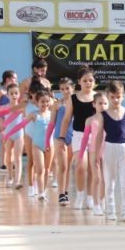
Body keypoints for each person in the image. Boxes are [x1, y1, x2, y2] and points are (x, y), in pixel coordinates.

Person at [61, 66, 97, 210]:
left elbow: (104, 117)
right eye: (85, 80)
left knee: (92, 168)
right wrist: (62, 137)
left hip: (95, 137)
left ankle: (90, 197)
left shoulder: (99, 97)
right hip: (79, 136)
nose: (88, 83)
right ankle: (80, 196)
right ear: (79, 82)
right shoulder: (73, 98)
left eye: (91, 80)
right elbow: (66, 119)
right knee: (81, 166)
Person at [95, 81, 125, 222]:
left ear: (123, 96)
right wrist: (97, 154)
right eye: (112, 97)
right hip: (109, 148)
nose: (115, 100)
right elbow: (99, 135)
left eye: (118, 97)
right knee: (110, 181)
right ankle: (110, 210)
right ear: (108, 96)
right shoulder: (103, 115)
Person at [51, 77, 74, 206]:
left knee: (68, 166)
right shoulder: (57, 104)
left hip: (73, 137)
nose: (65, 91)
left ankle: (66, 192)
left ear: (73, 88)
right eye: (62, 89)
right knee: (63, 166)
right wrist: (47, 139)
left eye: (67, 88)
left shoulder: (76, 103)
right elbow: (52, 123)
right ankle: (61, 194)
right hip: (59, 137)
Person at [0, 70, 17, 169]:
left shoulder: (15, 91)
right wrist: (3, 109)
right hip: (2, 117)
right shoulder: (1, 91)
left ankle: (12, 161)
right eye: (14, 78)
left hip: (13, 117)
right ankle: (3, 163)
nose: (16, 80)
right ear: (7, 79)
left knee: (13, 140)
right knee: (4, 139)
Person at [1, 84, 24, 188]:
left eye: (16, 93)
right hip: (8, 134)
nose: (14, 95)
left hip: (19, 134)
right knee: (9, 157)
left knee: (18, 157)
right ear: (7, 95)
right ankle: (10, 177)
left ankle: (17, 181)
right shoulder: (4, 107)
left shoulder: (22, 107)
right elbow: (0, 120)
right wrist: (2, 131)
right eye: (11, 93)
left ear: (19, 94)